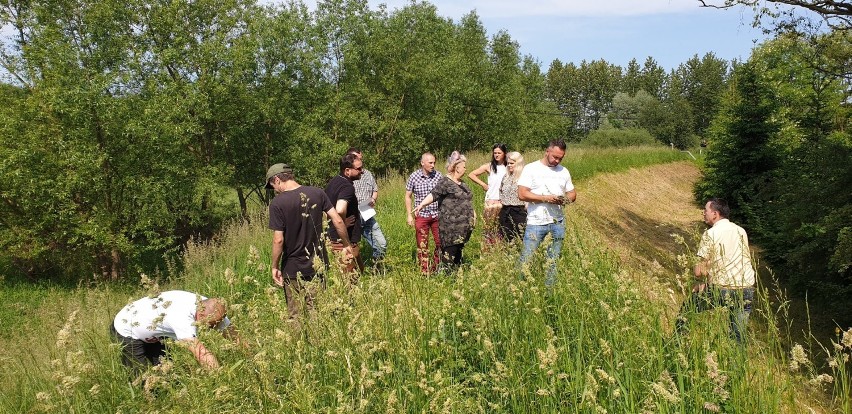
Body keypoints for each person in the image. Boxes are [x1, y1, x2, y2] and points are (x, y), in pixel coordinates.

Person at [267, 163, 352, 321]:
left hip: (292, 268)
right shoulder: (317, 193)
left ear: (277, 179)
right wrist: (346, 245)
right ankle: (318, 345)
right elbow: (338, 221)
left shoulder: (277, 204)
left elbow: (278, 239)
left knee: (295, 315)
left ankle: (298, 345)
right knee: (317, 312)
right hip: (318, 264)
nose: (275, 191)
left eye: (273, 186)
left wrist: (274, 266)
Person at [676, 198, 756, 343]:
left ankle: (678, 346)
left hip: (722, 288)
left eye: (705, 210)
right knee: (738, 335)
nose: (703, 213)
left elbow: (699, 271)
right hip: (746, 289)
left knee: (685, 314)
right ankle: (737, 364)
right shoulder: (741, 230)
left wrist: (701, 281)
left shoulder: (711, 234)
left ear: (715, 214)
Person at [111, 290, 238, 374]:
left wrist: (251, 357)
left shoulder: (212, 308)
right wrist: (222, 378)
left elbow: (235, 336)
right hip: (127, 326)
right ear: (200, 314)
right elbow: (201, 353)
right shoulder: (181, 318)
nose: (212, 328)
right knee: (140, 375)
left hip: (154, 330)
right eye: (210, 325)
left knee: (166, 371)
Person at [517, 139, 577, 288]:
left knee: (553, 262)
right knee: (526, 260)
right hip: (536, 223)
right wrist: (545, 198)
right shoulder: (531, 169)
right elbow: (522, 194)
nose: (557, 160)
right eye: (555, 157)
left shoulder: (564, 171)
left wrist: (564, 200)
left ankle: (549, 293)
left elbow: (572, 194)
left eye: (560, 158)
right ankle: (520, 291)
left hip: (557, 223)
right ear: (547, 151)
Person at [414, 151, 475, 272]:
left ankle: (456, 276)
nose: (466, 168)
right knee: (449, 255)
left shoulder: (462, 183)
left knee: (458, 253)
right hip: (451, 228)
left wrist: (473, 215)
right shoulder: (445, 182)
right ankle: (445, 278)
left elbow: (468, 200)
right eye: (463, 166)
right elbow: (433, 194)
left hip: (463, 228)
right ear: (456, 168)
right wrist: (421, 205)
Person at [325, 154, 365, 278]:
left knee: (357, 270)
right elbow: (340, 209)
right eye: (358, 169)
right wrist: (342, 222)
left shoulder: (334, 181)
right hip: (343, 240)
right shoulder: (347, 187)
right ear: (347, 170)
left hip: (338, 237)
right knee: (349, 279)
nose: (362, 171)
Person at [347, 147, 387, 267]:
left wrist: (373, 199)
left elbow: (375, 190)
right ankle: (355, 273)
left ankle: (377, 268)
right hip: (353, 216)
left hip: (367, 213)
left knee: (381, 244)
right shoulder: (346, 177)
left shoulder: (368, 174)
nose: (359, 160)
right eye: (356, 158)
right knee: (351, 247)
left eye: (361, 158)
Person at [405, 152, 443, 274]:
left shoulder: (438, 176)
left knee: (441, 243)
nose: (433, 165)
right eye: (430, 162)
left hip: (437, 215)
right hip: (421, 215)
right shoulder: (414, 177)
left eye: (434, 162)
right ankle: (424, 271)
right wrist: (409, 215)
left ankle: (435, 268)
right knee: (422, 244)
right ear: (422, 163)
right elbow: (408, 196)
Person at [468, 143, 508, 246]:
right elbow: (471, 174)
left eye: (499, 153)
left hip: (504, 200)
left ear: (504, 153)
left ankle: (500, 248)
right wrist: (483, 184)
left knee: (501, 227)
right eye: (495, 153)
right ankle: (487, 249)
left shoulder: (508, 166)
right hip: (491, 200)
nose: (497, 155)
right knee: (489, 227)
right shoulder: (489, 166)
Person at [498, 151, 527, 242]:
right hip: (505, 211)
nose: (509, 165)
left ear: (518, 163)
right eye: (508, 163)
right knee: (507, 239)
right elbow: (501, 191)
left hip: (519, 211)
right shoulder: (505, 177)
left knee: (521, 237)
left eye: (512, 163)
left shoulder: (524, 177)